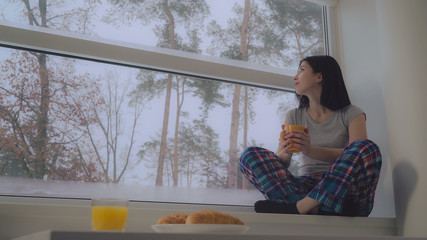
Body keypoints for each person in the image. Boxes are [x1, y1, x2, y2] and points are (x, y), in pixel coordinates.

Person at [239, 55, 382, 216]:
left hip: (346, 191)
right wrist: (284, 154)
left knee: (367, 147)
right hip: (305, 188)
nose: (295, 76)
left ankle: (301, 207)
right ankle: (318, 207)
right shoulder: (294, 116)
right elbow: (282, 161)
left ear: (319, 76)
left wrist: (309, 150)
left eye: (301, 70)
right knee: (249, 155)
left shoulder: (352, 113)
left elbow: (358, 155)